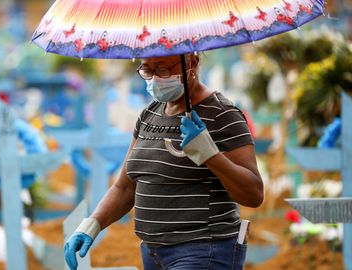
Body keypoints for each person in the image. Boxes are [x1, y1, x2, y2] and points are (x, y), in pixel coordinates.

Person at [64, 54, 264, 270]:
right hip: (153, 253)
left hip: (204, 252)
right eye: (147, 70)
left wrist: (211, 156)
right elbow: (125, 187)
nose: (156, 78)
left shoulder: (222, 115)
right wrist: (91, 225)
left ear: (192, 63)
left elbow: (253, 194)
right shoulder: (149, 114)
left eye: (163, 69)